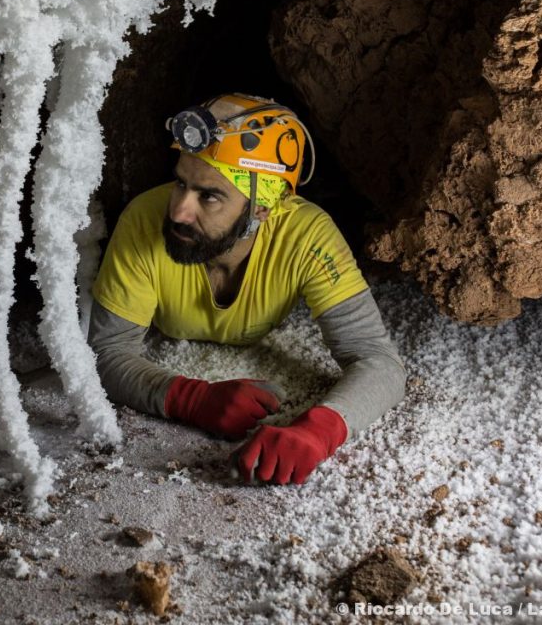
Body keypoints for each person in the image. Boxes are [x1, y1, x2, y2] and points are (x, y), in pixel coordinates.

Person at [88, 93, 406, 485]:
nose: (179, 212)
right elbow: (106, 352)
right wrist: (189, 398)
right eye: (180, 183)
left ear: (262, 209)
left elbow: (379, 361)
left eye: (209, 196)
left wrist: (318, 431)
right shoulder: (143, 220)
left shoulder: (306, 237)